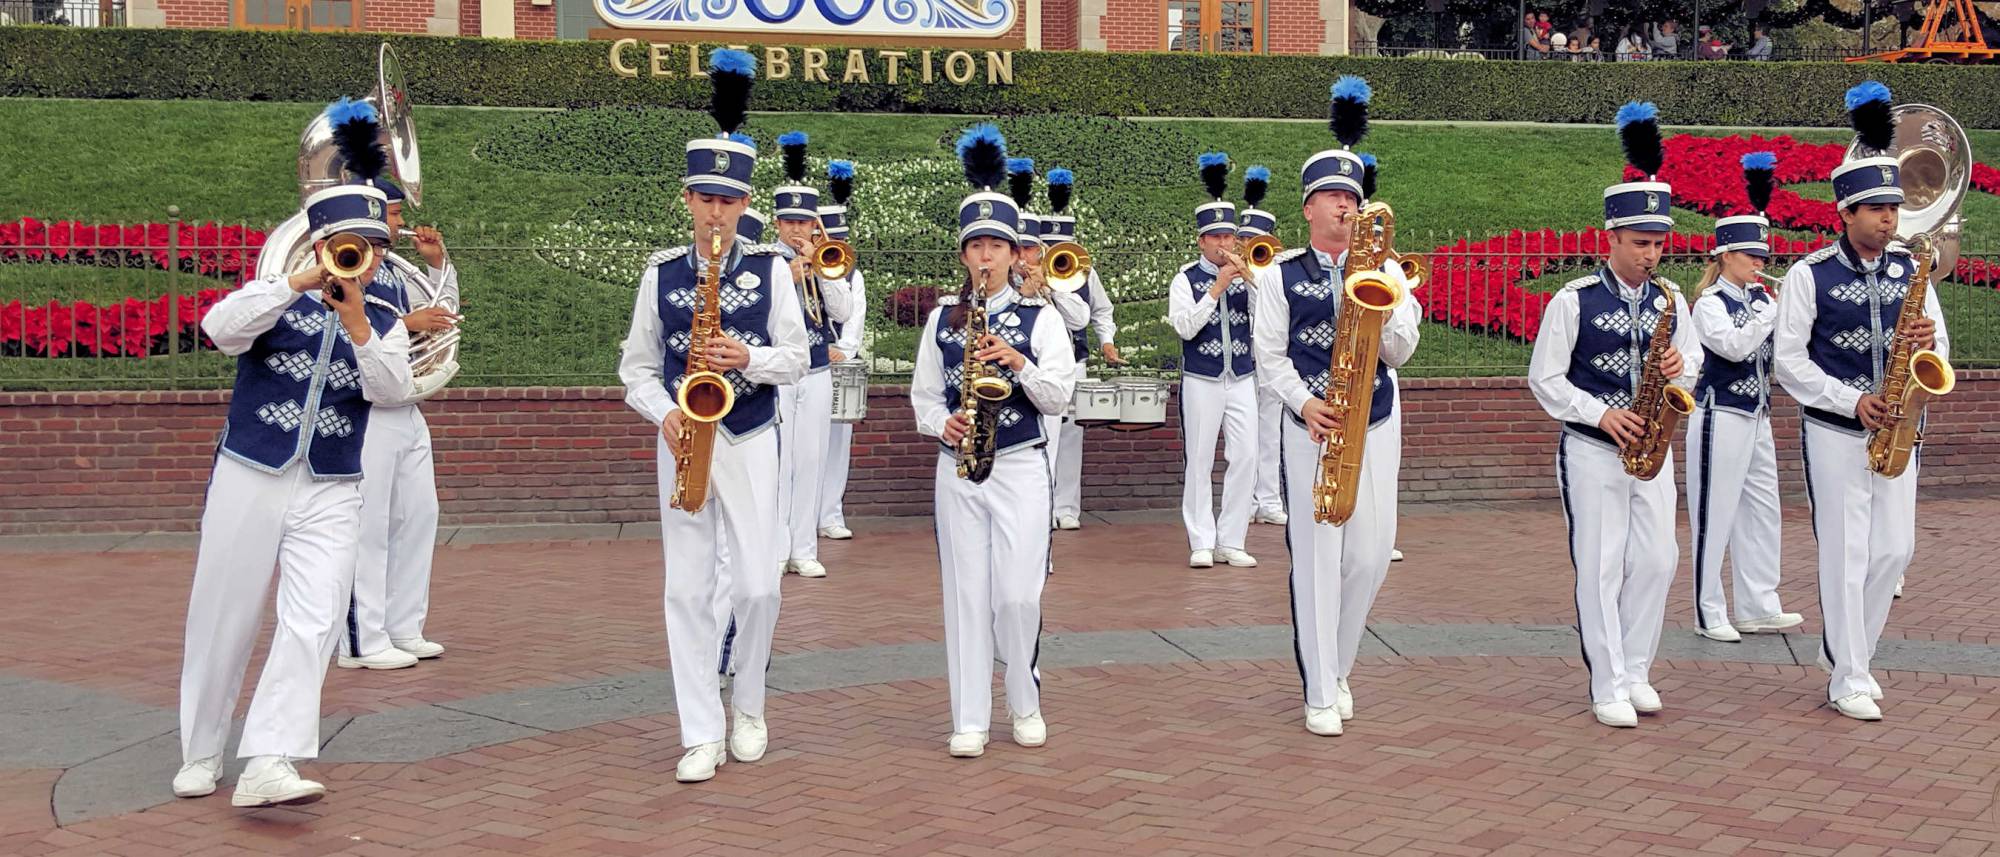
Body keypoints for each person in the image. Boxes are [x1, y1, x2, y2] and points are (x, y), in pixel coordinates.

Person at [173, 98, 414, 807]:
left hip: (333, 483)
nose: (356, 262)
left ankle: (270, 759)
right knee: (225, 610)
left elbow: (394, 388)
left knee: (311, 619)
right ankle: (202, 749)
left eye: (366, 250)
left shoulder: (386, 313)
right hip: (252, 470)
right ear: (320, 244)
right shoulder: (275, 293)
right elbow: (219, 329)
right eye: (345, 247)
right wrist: (294, 285)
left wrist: (360, 321)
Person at [617, 49, 810, 783]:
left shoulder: (766, 270)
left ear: (745, 201)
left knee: (759, 584)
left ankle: (751, 701)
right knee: (687, 588)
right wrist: (665, 411)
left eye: (729, 200)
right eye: (706, 198)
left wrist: (746, 358)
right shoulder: (662, 273)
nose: (717, 212)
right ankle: (700, 728)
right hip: (685, 438)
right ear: (688, 199)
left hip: (751, 433)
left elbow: (797, 356)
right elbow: (634, 366)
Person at [1773, 82, 1948, 722]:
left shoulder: (1910, 270)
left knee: (1894, 550)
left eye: (1893, 208)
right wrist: (1851, 402)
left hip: (1900, 426)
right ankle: (1848, 673)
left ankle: (1853, 654)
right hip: (1837, 431)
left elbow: (1939, 352)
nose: (1887, 219)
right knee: (1846, 552)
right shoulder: (1809, 275)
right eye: (1875, 208)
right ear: (1844, 213)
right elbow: (1789, 360)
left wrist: (1930, 345)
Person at [1253, 77, 1420, 737]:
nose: (1346, 208)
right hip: (1313, 423)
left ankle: (1340, 663)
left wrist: (1388, 293)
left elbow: (1402, 351)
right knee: (1319, 558)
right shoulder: (1277, 275)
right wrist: (1303, 403)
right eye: (1333, 197)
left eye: (1352, 197)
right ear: (1309, 208)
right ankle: (1319, 687)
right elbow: (1270, 359)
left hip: (1377, 411)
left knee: (1372, 554)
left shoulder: (1384, 267)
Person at [1528, 102, 1700, 729]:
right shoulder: (1574, 299)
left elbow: (1697, 367)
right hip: (1593, 449)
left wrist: (1683, 367)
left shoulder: (1672, 299)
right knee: (1601, 566)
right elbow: (1543, 378)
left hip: (1654, 447)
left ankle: (1636, 669)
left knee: (1660, 560)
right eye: (1640, 244)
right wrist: (1602, 415)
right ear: (1611, 238)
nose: (1651, 255)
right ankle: (1607, 683)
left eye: (1658, 244)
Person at [912, 124, 1077, 758]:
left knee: (1016, 594)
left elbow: (1059, 397)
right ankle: (970, 717)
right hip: (959, 468)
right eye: (975, 245)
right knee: (965, 594)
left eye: (996, 246)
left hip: (1019, 464)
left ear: (1015, 254)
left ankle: (1024, 699)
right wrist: (940, 425)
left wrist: (1017, 361)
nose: (985, 256)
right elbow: (925, 396)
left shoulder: (1042, 318)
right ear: (963, 254)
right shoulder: (942, 319)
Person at [339, 174, 459, 671]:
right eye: (393, 214)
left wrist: (438, 265)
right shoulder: (341, 267)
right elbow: (341, 328)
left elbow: (445, 313)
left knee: (418, 516)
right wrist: (407, 325)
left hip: (406, 403)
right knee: (368, 525)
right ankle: (361, 641)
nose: (402, 223)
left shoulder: (398, 268)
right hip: (364, 411)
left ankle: (403, 626)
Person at [1686, 152, 1803, 644]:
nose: (1761, 264)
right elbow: (1731, 346)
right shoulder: (1709, 304)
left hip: (1757, 414)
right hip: (1718, 414)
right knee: (1715, 514)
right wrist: (1770, 316)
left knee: (1763, 509)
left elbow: (1774, 356)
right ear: (1725, 256)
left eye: (1763, 257)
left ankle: (1758, 603)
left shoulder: (1760, 299)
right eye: (1752, 256)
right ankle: (1708, 609)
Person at [770, 131, 856, 580]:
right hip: (781, 373)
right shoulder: (765, 262)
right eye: (790, 223)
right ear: (778, 224)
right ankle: (776, 546)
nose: (798, 230)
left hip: (818, 367)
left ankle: (803, 547)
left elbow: (841, 312)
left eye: (805, 223)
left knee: (811, 458)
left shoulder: (826, 260)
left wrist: (822, 272)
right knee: (780, 460)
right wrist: (787, 274)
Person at [1170, 153, 1259, 570]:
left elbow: (1268, 320)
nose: (1226, 245)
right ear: (1202, 241)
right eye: (1217, 238)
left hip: (1242, 375)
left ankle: (1232, 539)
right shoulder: (1185, 278)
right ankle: (1201, 539)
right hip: (1202, 377)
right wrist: (1217, 288)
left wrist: (1253, 282)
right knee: (1201, 458)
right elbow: (1185, 327)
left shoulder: (1248, 272)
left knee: (1245, 455)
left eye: (1230, 237)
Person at [1043, 168, 1121, 531]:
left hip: (1075, 362)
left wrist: (1106, 339)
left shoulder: (1083, 272)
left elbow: (1095, 313)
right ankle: (1040, 503)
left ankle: (1067, 506)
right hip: (1036, 366)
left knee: (1072, 434)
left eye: (1064, 249)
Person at [1238, 167, 1288, 527]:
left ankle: (1268, 499)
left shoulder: (1277, 270)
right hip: (1236, 360)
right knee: (1242, 439)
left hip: (1268, 358)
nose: (1249, 247)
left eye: (1257, 242)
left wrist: (1252, 277)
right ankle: (1243, 502)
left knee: (1269, 431)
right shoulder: (1227, 268)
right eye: (1245, 240)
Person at [818, 160, 865, 542]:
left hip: (836, 361)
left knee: (837, 444)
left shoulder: (852, 274)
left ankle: (830, 513)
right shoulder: (798, 267)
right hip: (806, 365)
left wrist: (844, 348)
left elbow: (855, 318)